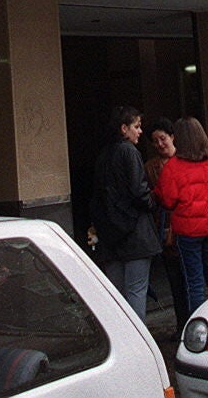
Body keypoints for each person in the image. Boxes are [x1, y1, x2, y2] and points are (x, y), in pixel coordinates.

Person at [90, 105, 161, 320]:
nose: (140, 132)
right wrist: (152, 202)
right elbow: (139, 192)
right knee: (136, 292)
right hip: (136, 236)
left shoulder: (104, 154)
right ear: (124, 128)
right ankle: (139, 345)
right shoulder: (129, 152)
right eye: (137, 126)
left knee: (117, 296)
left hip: (112, 237)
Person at [153, 117, 208, 313]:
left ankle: (197, 326)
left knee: (194, 283)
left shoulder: (173, 166)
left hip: (188, 231)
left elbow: (168, 200)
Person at [144, 117, 189, 333]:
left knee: (192, 278)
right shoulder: (150, 167)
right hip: (164, 227)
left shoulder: (187, 160)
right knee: (175, 280)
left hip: (187, 225)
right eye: (155, 141)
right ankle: (181, 325)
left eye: (162, 138)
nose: (160, 144)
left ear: (172, 136)